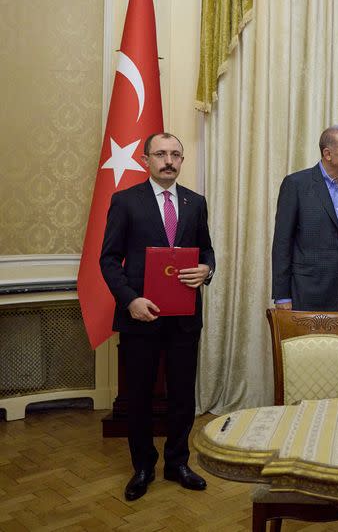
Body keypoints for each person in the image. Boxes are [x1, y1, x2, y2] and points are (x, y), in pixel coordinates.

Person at [100, 132, 215, 501]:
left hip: (184, 317)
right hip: (140, 316)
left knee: (183, 395)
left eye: (176, 154)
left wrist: (206, 271)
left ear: (182, 161)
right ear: (146, 159)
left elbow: (207, 252)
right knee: (139, 396)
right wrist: (130, 300)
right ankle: (143, 466)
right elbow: (108, 259)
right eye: (161, 154)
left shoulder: (195, 202)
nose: (169, 160)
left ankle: (178, 463)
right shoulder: (125, 201)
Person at [271, 125, 338, 311]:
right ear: (327, 154)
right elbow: (282, 244)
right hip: (308, 295)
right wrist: (282, 296)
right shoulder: (296, 185)